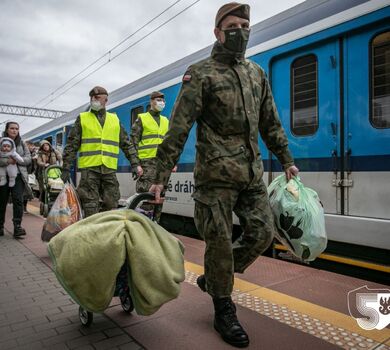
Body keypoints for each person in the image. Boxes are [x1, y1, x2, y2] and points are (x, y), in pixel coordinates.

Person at [149, 3, 299, 347]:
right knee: (217, 244)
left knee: (263, 232)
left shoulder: (256, 74)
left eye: (245, 25)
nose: (240, 31)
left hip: (249, 174)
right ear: (217, 32)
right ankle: (223, 309)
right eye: (232, 25)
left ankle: (217, 278)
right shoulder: (200, 73)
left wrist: (286, 158)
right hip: (214, 177)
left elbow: (270, 122)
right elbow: (179, 127)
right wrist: (160, 175)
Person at [61, 86, 139, 217]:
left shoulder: (114, 120)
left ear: (106, 100)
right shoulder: (83, 118)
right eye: (91, 98)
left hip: (109, 170)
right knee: (90, 205)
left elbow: (127, 144)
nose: (93, 100)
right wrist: (66, 168)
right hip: (89, 170)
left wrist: (135, 164)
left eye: (97, 98)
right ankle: (90, 235)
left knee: (112, 205)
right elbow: (71, 145)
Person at [130, 91, 175, 221]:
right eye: (158, 100)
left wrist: (172, 162)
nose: (161, 103)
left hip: (162, 165)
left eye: (163, 101)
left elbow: (170, 144)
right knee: (146, 198)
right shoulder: (142, 118)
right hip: (147, 164)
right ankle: (142, 226)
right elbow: (133, 143)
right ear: (151, 102)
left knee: (159, 198)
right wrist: (136, 164)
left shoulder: (165, 121)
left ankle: (155, 225)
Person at [0, 122, 32, 238]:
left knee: (18, 201)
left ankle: (17, 227)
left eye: (16, 129)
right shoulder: (1, 142)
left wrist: (17, 160)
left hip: (18, 177)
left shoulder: (22, 143)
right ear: (7, 130)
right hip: (2, 176)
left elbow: (28, 159)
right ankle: (0, 226)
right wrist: (6, 162)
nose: (14, 130)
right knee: (1, 201)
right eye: (12, 128)